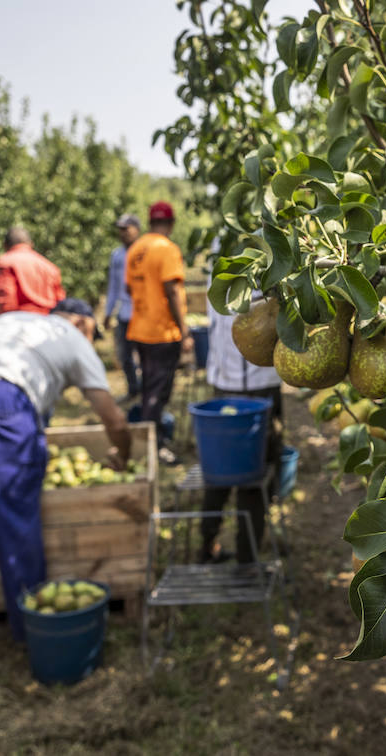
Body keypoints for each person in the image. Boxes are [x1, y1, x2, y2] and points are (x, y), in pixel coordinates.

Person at [0, 298, 131, 657]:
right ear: (83, 324)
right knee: (13, 511)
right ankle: (28, 626)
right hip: (3, 398)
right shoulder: (73, 338)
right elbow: (112, 418)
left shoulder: (12, 320)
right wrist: (123, 456)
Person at [199, 292, 284, 564]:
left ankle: (208, 547)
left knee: (220, 471)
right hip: (257, 383)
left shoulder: (217, 251)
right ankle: (246, 559)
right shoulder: (263, 254)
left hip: (226, 381)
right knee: (254, 475)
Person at [124, 202, 193, 464]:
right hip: (162, 332)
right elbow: (172, 290)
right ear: (172, 224)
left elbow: (130, 289)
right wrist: (184, 331)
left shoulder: (136, 249)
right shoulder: (167, 249)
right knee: (157, 391)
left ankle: (152, 434)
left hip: (140, 328)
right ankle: (152, 447)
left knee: (149, 386)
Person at [104, 213, 142, 401]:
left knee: (144, 355)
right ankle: (133, 388)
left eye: (126, 229)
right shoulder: (117, 255)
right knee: (124, 355)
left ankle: (145, 389)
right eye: (120, 230)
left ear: (137, 229)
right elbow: (113, 286)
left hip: (142, 313)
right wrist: (108, 312)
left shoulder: (144, 252)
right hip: (124, 314)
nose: (123, 233)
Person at [0, 226, 65, 315]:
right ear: (31, 244)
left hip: (20, 319)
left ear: (5, 245)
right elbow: (60, 300)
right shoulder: (49, 267)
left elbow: (6, 301)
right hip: (46, 320)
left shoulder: (5, 262)